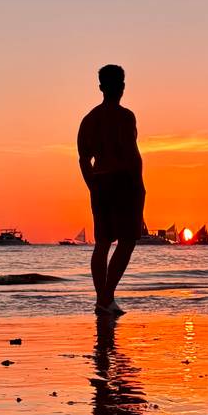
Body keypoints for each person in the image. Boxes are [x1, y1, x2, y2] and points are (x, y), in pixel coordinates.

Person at [77, 64, 145, 315]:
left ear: (101, 87)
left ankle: (103, 300)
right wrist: (139, 186)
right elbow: (132, 155)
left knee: (103, 243)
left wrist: (92, 185)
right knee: (126, 241)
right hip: (124, 182)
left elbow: (84, 159)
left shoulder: (90, 119)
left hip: (101, 182)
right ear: (120, 87)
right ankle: (105, 298)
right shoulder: (125, 117)